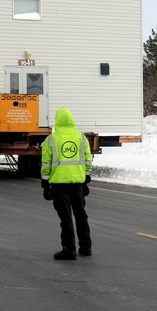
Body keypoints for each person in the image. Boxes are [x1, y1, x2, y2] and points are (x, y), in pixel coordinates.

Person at [41, 107, 94, 260]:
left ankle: (69, 249)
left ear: (57, 121)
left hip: (59, 184)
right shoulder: (81, 138)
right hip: (77, 183)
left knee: (66, 218)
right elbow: (87, 158)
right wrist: (87, 177)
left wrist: (45, 183)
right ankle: (86, 246)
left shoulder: (51, 139)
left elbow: (46, 163)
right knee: (81, 215)